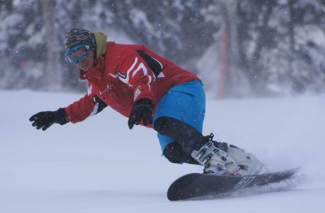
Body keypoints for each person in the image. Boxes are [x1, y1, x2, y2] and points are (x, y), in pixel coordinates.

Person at [29, 28, 264, 176]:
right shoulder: (96, 80)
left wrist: (142, 102)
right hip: (162, 107)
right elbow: (90, 104)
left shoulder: (119, 56)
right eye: (71, 58)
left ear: (92, 48)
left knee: (163, 121)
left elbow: (142, 77)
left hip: (183, 88)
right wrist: (59, 115)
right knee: (173, 152)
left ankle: (217, 162)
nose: (78, 61)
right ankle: (241, 160)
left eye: (80, 53)